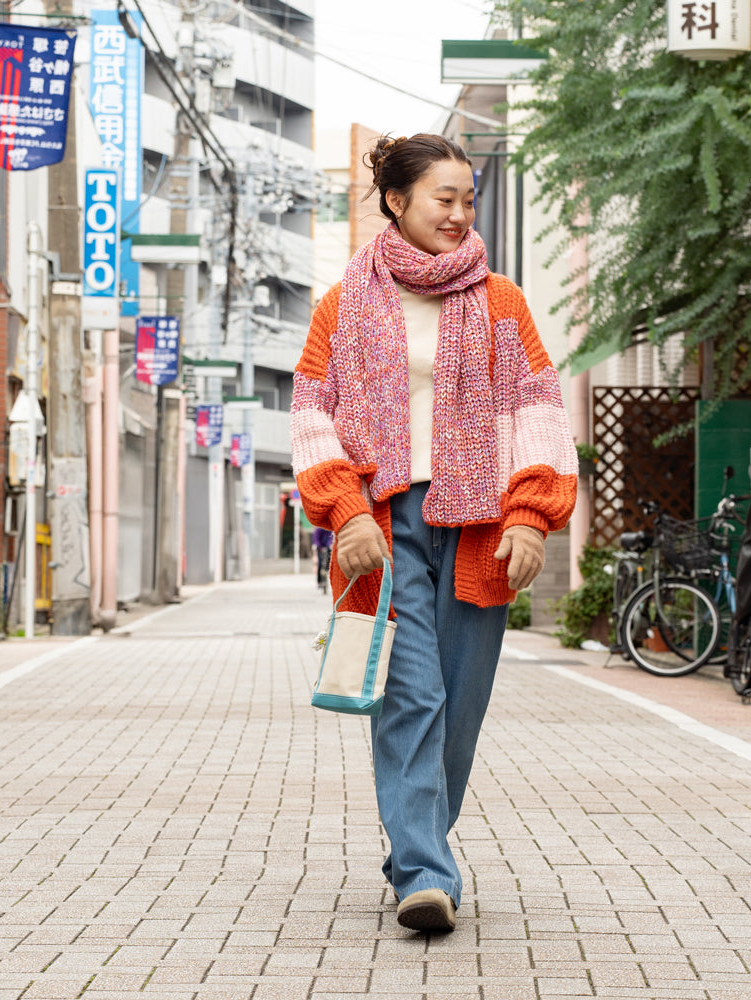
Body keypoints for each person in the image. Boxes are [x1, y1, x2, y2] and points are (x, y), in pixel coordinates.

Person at [291, 133, 577, 933]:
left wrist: (531, 516)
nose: (458, 214)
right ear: (397, 201)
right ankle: (424, 871)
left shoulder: (502, 302)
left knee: (460, 705)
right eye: (442, 199)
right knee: (412, 692)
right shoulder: (343, 305)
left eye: (467, 200)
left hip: (482, 523)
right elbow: (311, 415)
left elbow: (538, 409)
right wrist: (344, 509)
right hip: (384, 524)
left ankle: (416, 848)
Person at [311, 525, 333, 593]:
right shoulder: (319, 529)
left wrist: (329, 545)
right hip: (320, 548)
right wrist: (317, 546)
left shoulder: (330, 528)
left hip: (328, 548)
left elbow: (331, 538)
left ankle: (329, 578)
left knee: (329, 564)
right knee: (320, 564)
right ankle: (319, 581)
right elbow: (316, 538)